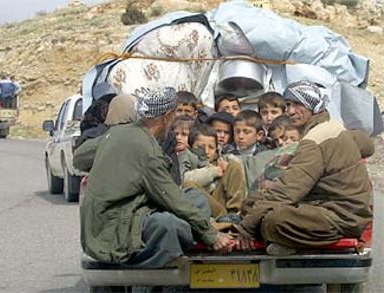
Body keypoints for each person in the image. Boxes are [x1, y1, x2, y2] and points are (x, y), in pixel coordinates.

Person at [74, 87, 233, 268]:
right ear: (166, 116)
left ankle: (193, 231)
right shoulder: (148, 151)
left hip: (128, 210)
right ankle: (177, 247)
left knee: (196, 197)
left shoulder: (117, 133)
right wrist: (212, 235)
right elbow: (173, 198)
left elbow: (79, 158)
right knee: (168, 224)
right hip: (117, 227)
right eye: (173, 116)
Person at [236, 80, 374, 256]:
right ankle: (286, 239)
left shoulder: (314, 141)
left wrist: (245, 230)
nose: (291, 111)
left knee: (273, 221)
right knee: (252, 204)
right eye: (288, 105)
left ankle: (294, 244)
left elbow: (287, 191)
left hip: (340, 217)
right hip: (324, 205)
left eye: (298, 104)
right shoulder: (333, 126)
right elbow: (368, 145)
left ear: (313, 106)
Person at [185, 124, 246, 217]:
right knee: (189, 185)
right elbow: (184, 180)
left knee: (234, 166)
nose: (206, 152)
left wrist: (225, 170)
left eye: (211, 147)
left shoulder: (225, 160)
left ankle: (234, 215)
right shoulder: (185, 158)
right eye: (200, 147)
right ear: (190, 146)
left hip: (221, 206)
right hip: (201, 207)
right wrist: (214, 171)